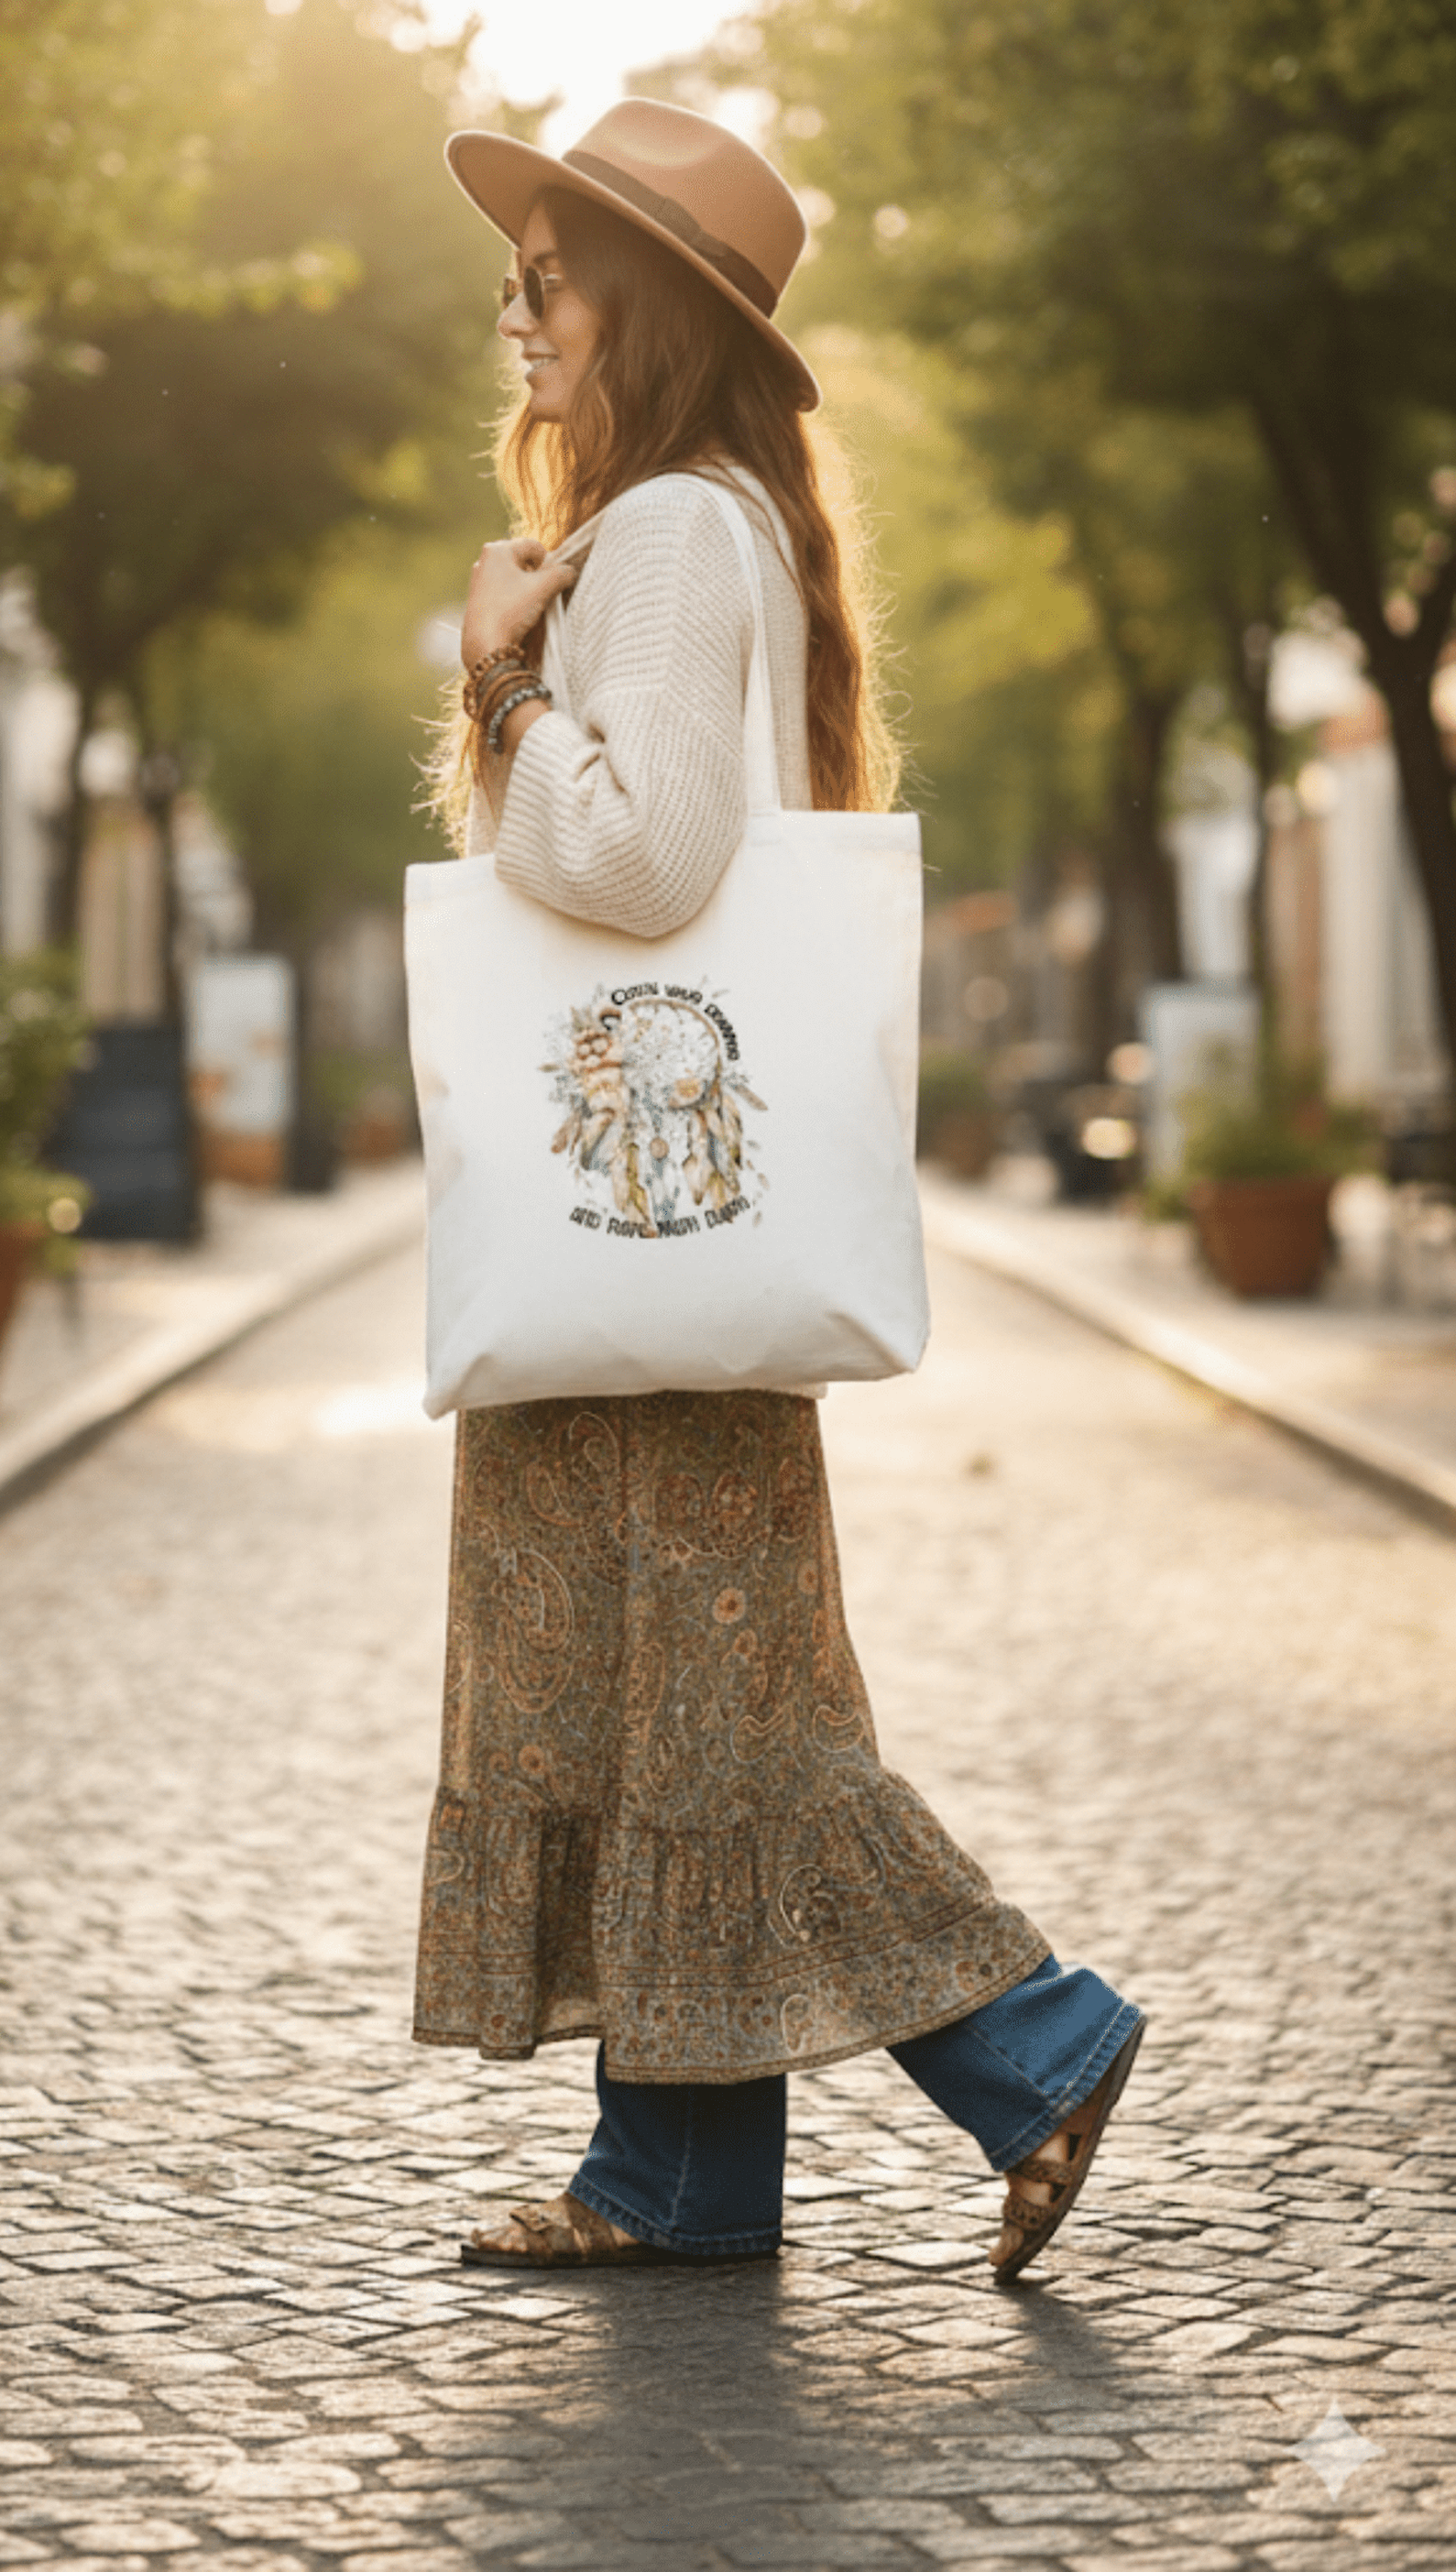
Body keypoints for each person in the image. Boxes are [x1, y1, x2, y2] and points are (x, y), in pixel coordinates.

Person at [413, 97, 1144, 2278]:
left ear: (640, 304)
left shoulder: (659, 538)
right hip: (673, 1208)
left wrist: (500, 675)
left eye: (546, 276)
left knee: (714, 1709)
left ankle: (1036, 2038)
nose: (514, 310)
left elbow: (639, 862)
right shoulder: (719, 522)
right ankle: (688, 2171)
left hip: (627, 1208)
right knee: (685, 1702)